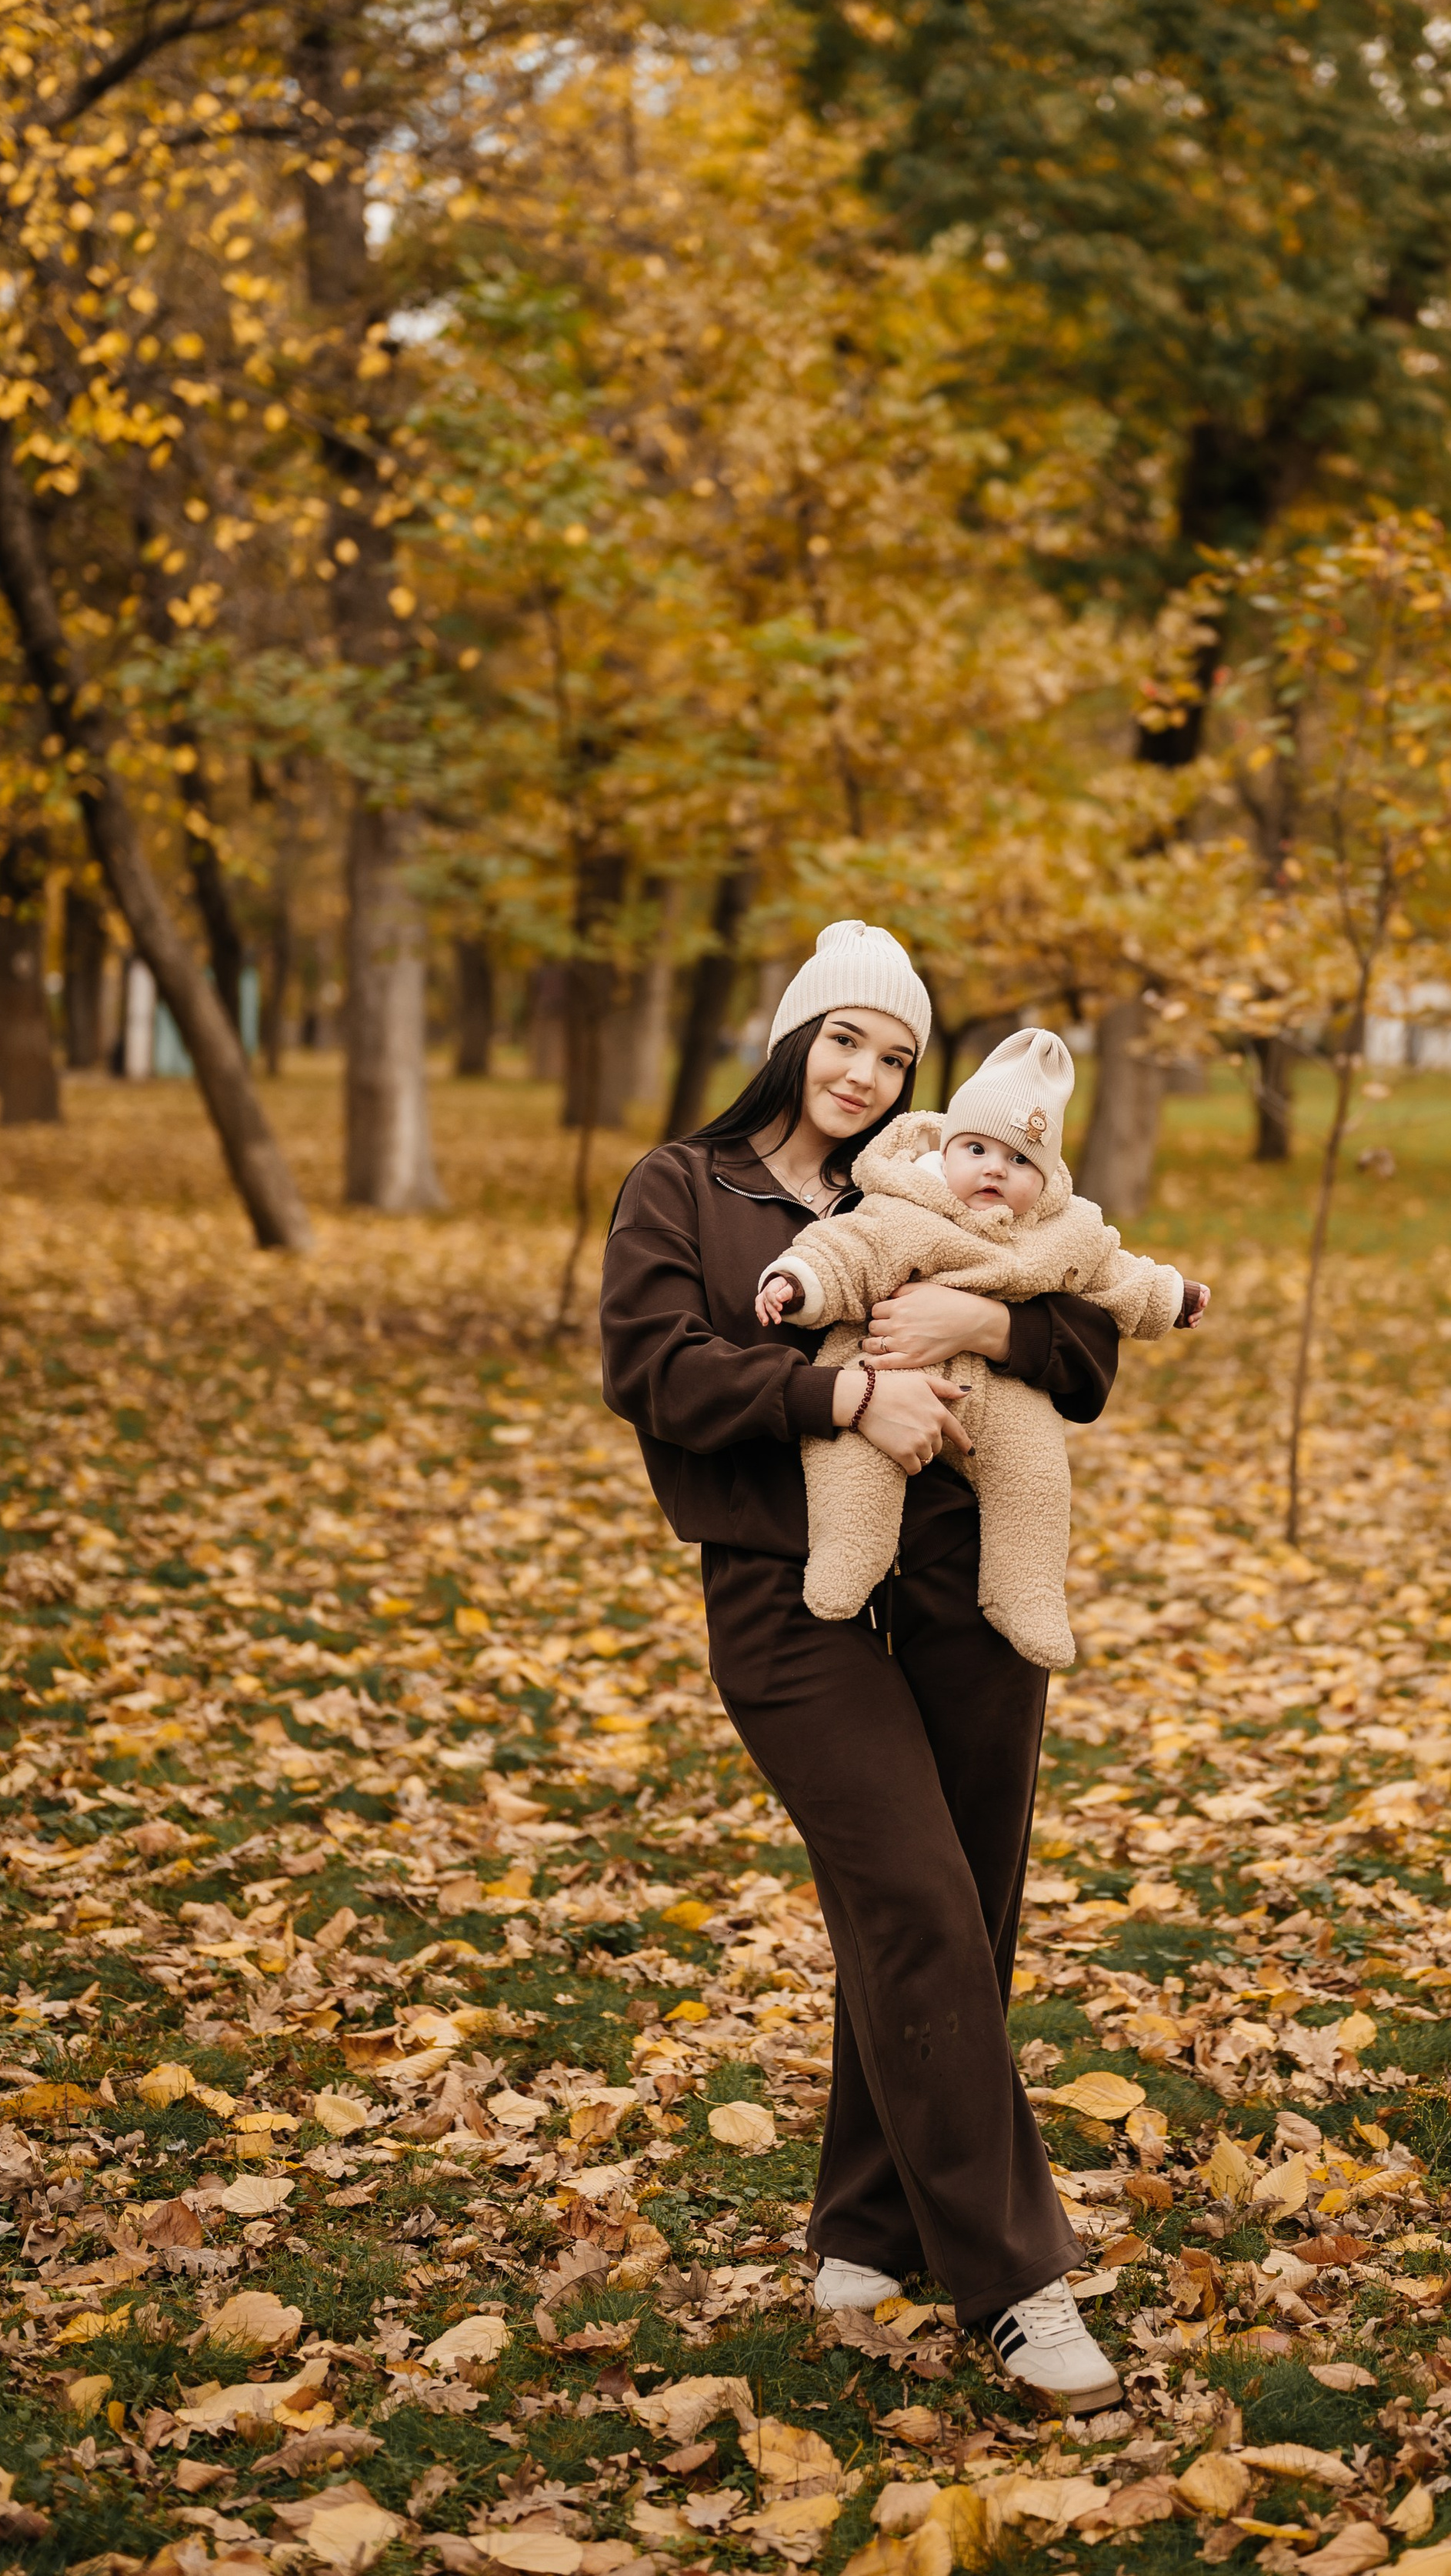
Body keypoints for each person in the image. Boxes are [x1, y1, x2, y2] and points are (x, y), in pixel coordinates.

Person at [599, 921, 1126, 2411]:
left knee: (960, 1906)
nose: (865, 1072)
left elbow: (1085, 1349)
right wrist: (846, 1393)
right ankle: (1014, 2280)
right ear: (790, 1036)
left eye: (895, 1054)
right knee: (909, 1896)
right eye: (844, 1039)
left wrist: (985, 1318)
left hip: (965, 1586)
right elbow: (651, 1371)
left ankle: (867, 2221)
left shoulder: (942, 1169)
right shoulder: (682, 1189)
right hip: (793, 1599)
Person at [752, 1026, 1209, 1668]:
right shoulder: (903, 1206)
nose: (996, 1168)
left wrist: (1171, 1296)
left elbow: (1115, 1274)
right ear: (945, 1150)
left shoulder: (1062, 1228)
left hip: (1002, 1395)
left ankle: (1025, 1595)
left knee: (1036, 1478)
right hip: (887, 1362)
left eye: (1021, 1161)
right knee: (852, 1462)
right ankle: (846, 1558)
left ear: (1046, 1179)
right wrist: (796, 1284)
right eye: (977, 1149)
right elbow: (844, 1254)